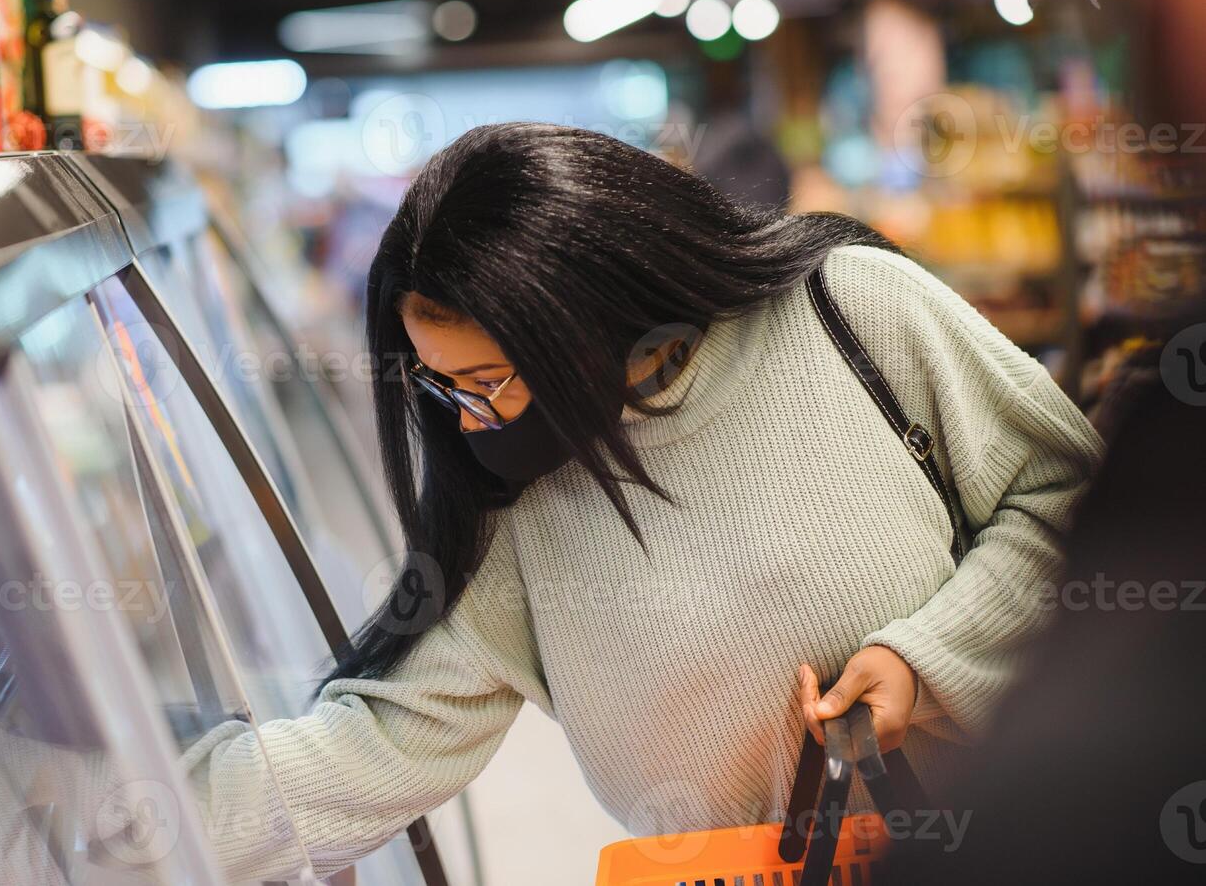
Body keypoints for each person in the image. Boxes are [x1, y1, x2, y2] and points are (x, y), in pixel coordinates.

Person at [182, 122, 1103, 880]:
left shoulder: (852, 314)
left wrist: (925, 661)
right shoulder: (515, 495)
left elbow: (1077, 507)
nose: (469, 426)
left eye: (489, 380)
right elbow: (385, 738)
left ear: (583, 314)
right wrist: (122, 817)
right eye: (443, 390)